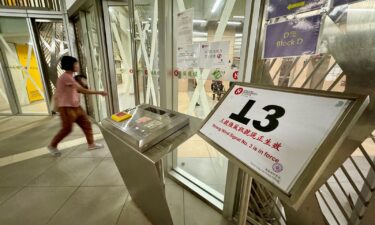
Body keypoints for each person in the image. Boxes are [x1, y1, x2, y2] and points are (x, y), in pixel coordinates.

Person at [48, 56, 107, 156]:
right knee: (67, 129)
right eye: (76, 64)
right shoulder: (66, 77)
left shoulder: (70, 77)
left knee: (87, 124)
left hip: (76, 107)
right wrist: (100, 92)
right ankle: (52, 145)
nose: (78, 66)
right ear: (70, 65)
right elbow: (83, 90)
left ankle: (91, 144)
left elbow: (78, 90)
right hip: (67, 108)